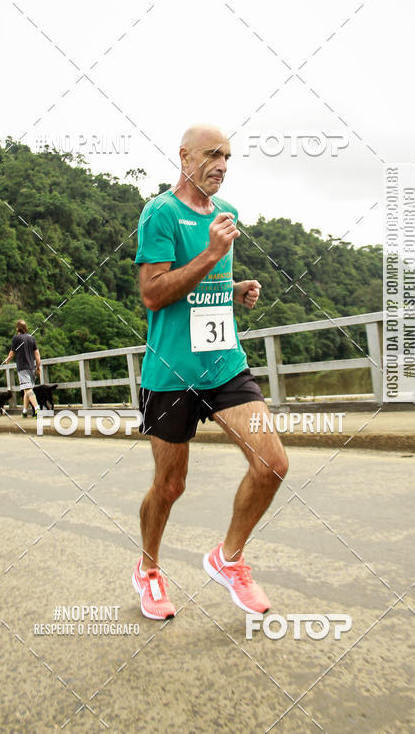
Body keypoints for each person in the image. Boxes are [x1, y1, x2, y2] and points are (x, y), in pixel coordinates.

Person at [132, 124, 288, 620]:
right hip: (171, 372)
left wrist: (233, 289)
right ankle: (149, 570)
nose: (221, 164)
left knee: (273, 463)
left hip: (224, 365)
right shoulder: (159, 213)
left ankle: (229, 559)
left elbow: (204, 288)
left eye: (228, 157)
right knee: (170, 486)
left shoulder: (228, 214)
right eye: (212, 155)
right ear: (184, 157)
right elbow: (155, 294)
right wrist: (212, 254)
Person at [2, 320, 41, 417]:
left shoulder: (16, 338)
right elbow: (37, 354)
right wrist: (38, 367)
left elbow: (12, 353)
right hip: (31, 367)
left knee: (27, 389)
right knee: (26, 389)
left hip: (22, 368)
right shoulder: (31, 338)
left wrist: (7, 360)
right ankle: (24, 411)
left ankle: (37, 408)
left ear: (17, 328)